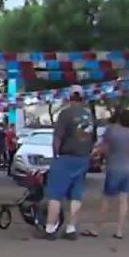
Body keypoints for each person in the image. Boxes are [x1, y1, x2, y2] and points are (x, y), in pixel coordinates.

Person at [39, 85, 94, 240]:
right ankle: (71, 228)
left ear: (69, 98)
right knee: (76, 196)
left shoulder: (65, 114)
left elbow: (58, 137)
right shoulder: (88, 116)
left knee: (55, 194)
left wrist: (56, 154)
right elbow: (92, 139)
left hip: (65, 157)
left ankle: (50, 229)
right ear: (82, 98)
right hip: (82, 158)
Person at [85, 108, 129, 239]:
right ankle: (120, 231)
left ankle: (96, 229)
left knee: (106, 199)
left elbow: (102, 148)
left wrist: (94, 155)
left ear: (119, 118)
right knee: (123, 200)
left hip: (114, 168)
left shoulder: (112, 130)